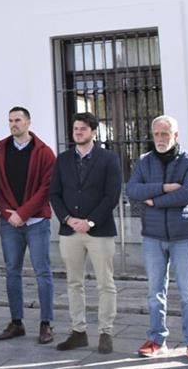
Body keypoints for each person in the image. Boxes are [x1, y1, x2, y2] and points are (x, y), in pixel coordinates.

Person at [126, 115, 188, 362]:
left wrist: (155, 201)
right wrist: (165, 187)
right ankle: (157, 339)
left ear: (176, 135)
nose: (161, 138)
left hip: (183, 235)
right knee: (154, 291)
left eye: (166, 134)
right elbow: (133, 190)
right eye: (157, 134)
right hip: (152, 236)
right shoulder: (143, 161)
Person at [49, 112, 122, 354]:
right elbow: (54, 194)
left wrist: (89, 222)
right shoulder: (63, 160)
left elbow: (111, 195)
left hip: (99, 231)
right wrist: (68, 219)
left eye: (82, 128)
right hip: (70, 231)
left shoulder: (109, 159)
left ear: (94, 132)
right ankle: (78, 331)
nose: (77, 132)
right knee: (74, 282)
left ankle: (106, 332)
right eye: (75, 128)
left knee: (105, 283)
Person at [0, 106, 56, 344]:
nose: (13, 124)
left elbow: (46, 188)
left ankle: (46, 324)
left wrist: (24, 213)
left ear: (28, 122)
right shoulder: (0, 152)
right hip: (10, 224)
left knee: (43, 272)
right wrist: (9, 215)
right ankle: (16, 323)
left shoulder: (44, 152)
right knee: (12, 271)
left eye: (18, 120)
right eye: (10, 121)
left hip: (37, 222)